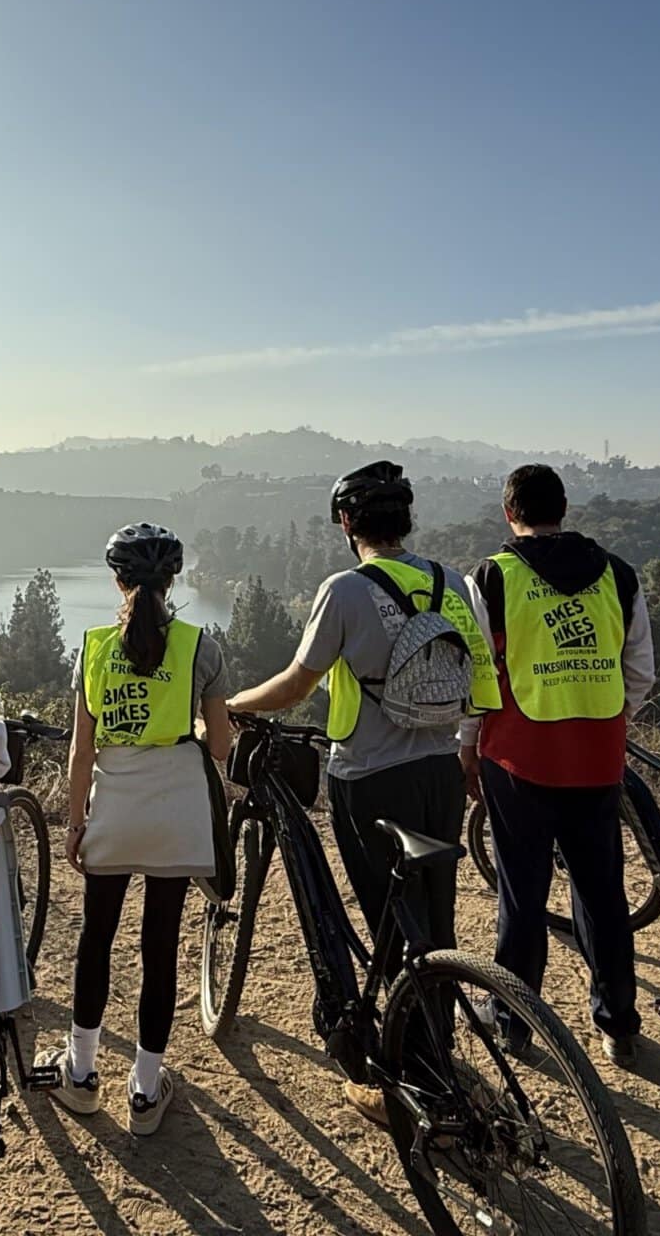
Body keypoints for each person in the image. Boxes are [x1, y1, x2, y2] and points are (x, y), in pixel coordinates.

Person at [226, 461, 499, 1123]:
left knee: (387, 925)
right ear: (407, 522)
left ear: (347, 524)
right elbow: (484, 684)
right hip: (440, 774)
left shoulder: (346, 590)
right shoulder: (451, 584)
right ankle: (435, 1050)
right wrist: (467, 754)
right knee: (431, 924)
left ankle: (411, 1080)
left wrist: (234, 702)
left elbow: (297, 684)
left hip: (370, 778)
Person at [41, 523, 232, 1137]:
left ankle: (81, 1072)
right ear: (172, 581)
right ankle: (147, 1091)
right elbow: (222, 744)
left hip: (114, 809)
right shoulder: (200, 645)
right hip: (175, 811)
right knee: (160, 945)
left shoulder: (93, 646)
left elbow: (80, 750)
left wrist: (75, 824)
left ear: (117, 580)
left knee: (96, 939)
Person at [464, 463, 655, 1067]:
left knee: (522, 895)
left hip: (518, 758)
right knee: (602, 893)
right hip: (599, 758)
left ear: (507, 512)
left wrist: (467, 745)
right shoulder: (617, 575)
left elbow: (477, 674)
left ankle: (516, 1025)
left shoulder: (493, 577)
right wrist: (601, 716)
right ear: (564, 509)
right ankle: (618, 1025)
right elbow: (641, 672)